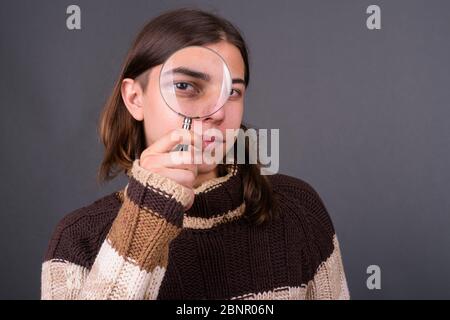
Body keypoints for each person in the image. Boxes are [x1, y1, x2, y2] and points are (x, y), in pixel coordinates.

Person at [41, 8, 350, 300]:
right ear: (135, 99)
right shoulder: (77, 241)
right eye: (186, 85)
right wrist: (145, 216)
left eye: (231, 92)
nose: (216, 112)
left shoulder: (298, 209)